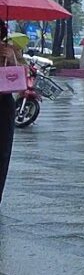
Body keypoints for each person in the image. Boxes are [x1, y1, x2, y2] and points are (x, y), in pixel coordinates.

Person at [0, 24, 21, 205]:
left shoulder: (10, 50)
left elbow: (22, 77)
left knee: (3, 152)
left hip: (3, 103)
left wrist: (12, 61)